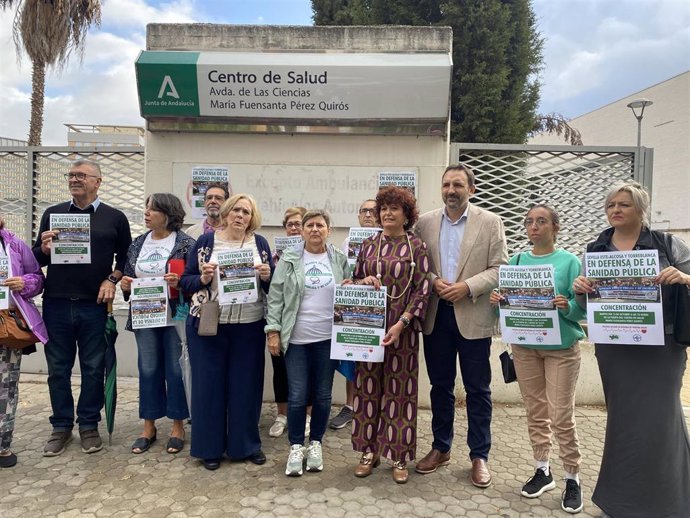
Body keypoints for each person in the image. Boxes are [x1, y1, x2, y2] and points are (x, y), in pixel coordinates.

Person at [572, 181, 690, 518]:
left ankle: (670, 501)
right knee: (623, 423)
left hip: (661, 348)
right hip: (615, 349)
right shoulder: (595, 250)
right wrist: (580, 289)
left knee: (662, 420)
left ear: (640, 209)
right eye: (611, 205)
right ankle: (620, 502)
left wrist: (682, 277)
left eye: (623, 204)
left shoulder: (668, 244)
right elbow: (582, 304)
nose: (616, 210)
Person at [414, 163, 508, 487]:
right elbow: (416, 265)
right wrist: (434, 281)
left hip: (473, 316)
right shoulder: (424, 222)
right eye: (446, 185)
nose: (451, 190)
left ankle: (479, 455)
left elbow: (500, 268)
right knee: (440, 386)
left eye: (457, 185)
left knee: (477, 390)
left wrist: (467, 286)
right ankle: (441, 448)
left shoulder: (491, 222)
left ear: (472, 189)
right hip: (436, 316)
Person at [489, 205, 586, 513]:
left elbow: (582, 308)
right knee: (535, 411)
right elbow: (506, 310)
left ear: (555, 227)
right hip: (525, 347)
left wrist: (566, 305)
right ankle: (542, 470)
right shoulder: (517, 260)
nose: (534, 227)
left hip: (561, 348)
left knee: (561, 416)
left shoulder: (570, 262)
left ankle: (573, 477)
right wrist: (497, 302)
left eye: (541, 221)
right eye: (529, 222)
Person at [33, 159, 131, 456]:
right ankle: (61, 426)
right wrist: (45, 249)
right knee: (58, 370)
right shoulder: (53, 214)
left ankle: (89, 424)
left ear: (97, 182)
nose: (74, 180)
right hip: (57, 304)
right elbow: (35, 258)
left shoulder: (115, 218)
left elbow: (126, 259)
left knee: (93, 368)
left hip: (94, 305)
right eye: (71, 175)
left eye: (81, 176)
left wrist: (112, 279)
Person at [180, 193, 273, 471]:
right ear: (226, 213)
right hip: (210, 326)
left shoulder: (261, 244)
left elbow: (274, 287)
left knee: (246, 387)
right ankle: (210, 449)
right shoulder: (206, 242)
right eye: (236, 210)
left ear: (251, 217)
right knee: (209, 388)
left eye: (246, 212)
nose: (240, 216)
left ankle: (245, 446)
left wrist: (268, 276)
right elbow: (186, 280)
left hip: (249, 326)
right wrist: (203, 278)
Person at [350, 186, 431, 484]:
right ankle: (368, 452)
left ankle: (399, 455)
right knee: (367, 389)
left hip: (403, 332)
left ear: (406, 214)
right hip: (367, 330)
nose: (386, 213)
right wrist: (363, 280)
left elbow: (423, 291)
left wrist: (403, 323)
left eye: (394, 209)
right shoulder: (368, 244)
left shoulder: (417, 247)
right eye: (383, 209)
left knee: (401, 394)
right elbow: (353, 279)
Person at [265, 209, 350, 476]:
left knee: (323, 395)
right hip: (297, 339)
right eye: (310, 225)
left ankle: (315, 443)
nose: (315, 229)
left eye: (320, 225)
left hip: (327, 338)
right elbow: (276, 297)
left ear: (329, 229)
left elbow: (349, 288)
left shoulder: (337, 258)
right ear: (302, 231)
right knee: (298, 394)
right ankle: (295, 447)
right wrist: (273, 331)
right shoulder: (289, 259)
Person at [120, 194, 194, 455]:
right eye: (146, 208)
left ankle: (177, 426)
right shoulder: (138, 242)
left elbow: (194, 281)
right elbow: (129, 273)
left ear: (168, 213)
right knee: (148, 368)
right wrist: (125, 284)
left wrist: (180, 282)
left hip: (175, 317)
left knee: (175, 370)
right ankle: (148, 426)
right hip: (144, 316)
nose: (147, 212)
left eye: (153, 208)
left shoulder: (185, 243)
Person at [0, 217, 49, 468]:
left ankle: (2, 446)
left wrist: (24, 283)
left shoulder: (15, 244)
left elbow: (37, 278)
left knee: (6, 387)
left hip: (7, 325)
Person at [330, 198, 377, 430]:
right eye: (363, 211)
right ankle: (350, 407)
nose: (368, 215)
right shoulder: (350, 240)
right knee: (352, 357)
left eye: (372, 211)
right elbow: (346, 272)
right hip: (356, 307)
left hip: (381, 308)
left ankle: (375, 406)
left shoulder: (393, 240)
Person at [268, 206, 308, 439]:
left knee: (308, 371)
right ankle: (282, 415)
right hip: (280, 321)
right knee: (280, 369)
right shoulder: (274, 256)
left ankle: (308, 416)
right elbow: (271, 292)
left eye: (298, 224)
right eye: (290, 224)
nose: (294, 228)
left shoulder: (315, 253)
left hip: (306, 322)